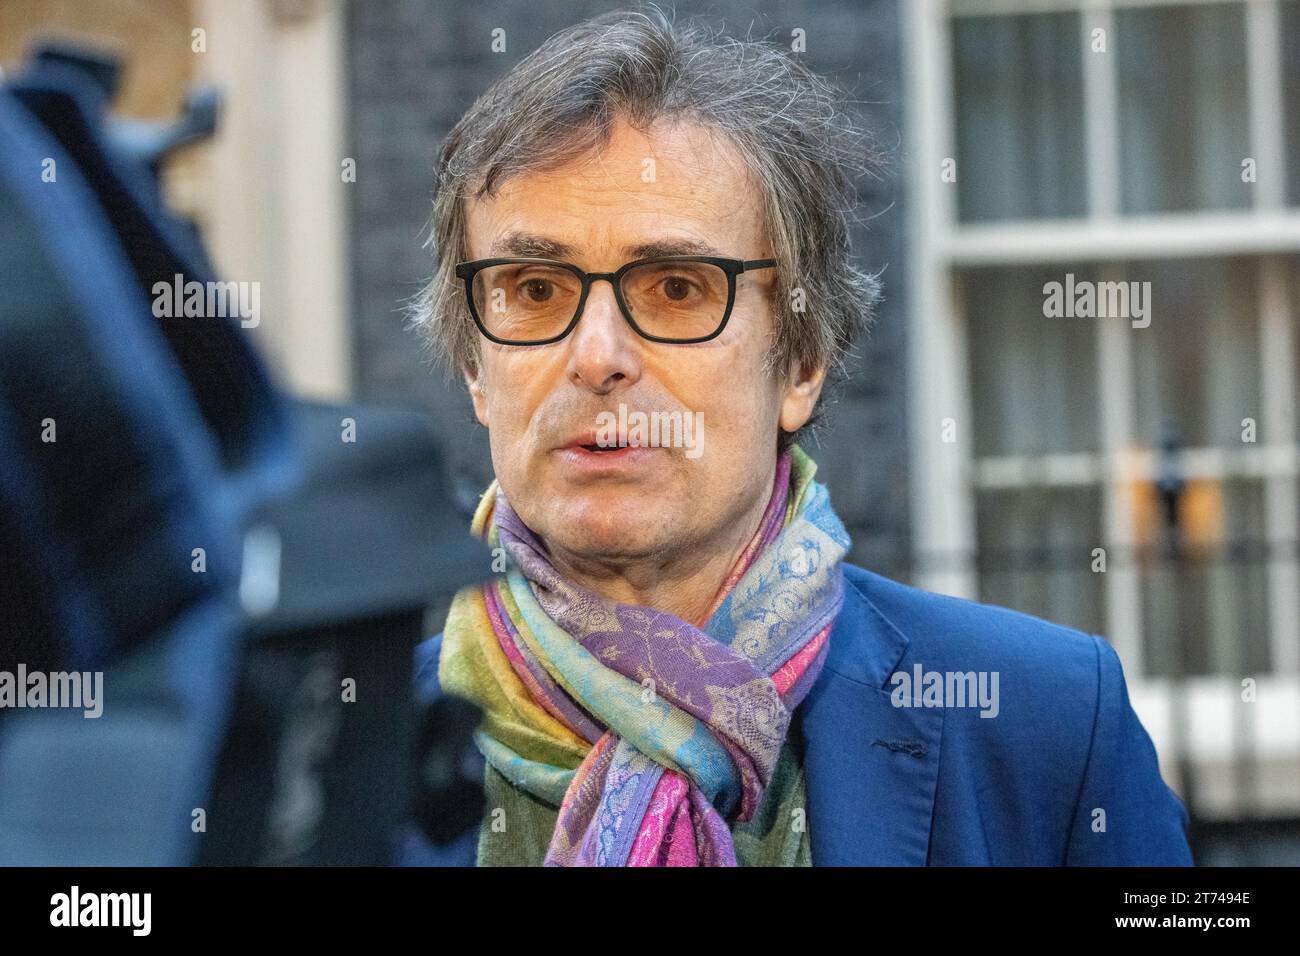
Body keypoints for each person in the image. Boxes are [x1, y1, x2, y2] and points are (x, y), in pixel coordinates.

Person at [406, 7, 1193, 866]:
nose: (598, 356)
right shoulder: (332, 754)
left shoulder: (1048, 724)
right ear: (477, 368)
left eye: (676, 288)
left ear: (802, 362)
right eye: (536, 288)